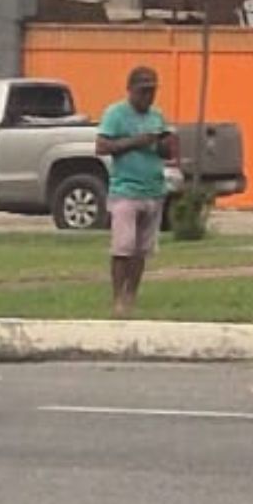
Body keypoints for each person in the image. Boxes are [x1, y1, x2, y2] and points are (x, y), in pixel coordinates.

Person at [95, 65, 176, 318]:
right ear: (130, 90)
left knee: (141, 250)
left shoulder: (157, 116)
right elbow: (102, 146)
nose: (147, 97)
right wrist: (136, 142)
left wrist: (165, 144)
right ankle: (117, 297)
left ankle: (132, 296)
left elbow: (166, 151)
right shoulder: (116, 114)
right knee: (123, 247)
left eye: (151, 92)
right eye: (142, 92)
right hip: (125, 190)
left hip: (152, 189)